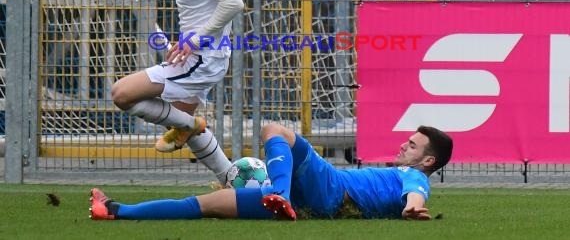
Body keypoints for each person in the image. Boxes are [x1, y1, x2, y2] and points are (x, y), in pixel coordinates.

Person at [110, 0, 244, 184]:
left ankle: (190, 125)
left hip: (201, 56)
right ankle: (231, 181)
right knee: (183, 122)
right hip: (202, 53)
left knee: (122, 95)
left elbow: (234, 2)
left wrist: (195, 40)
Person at [89, 123, 453, 221]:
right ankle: (118, 210)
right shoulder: (402, 172)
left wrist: (412, 207)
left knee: (273, 130)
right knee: (207, 204)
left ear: (427, 162)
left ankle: (278, 192)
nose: (404, 147)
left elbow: (415, 193)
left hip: (331, 186)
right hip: (314, 204)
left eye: (413, 146)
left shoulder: (414, 176)